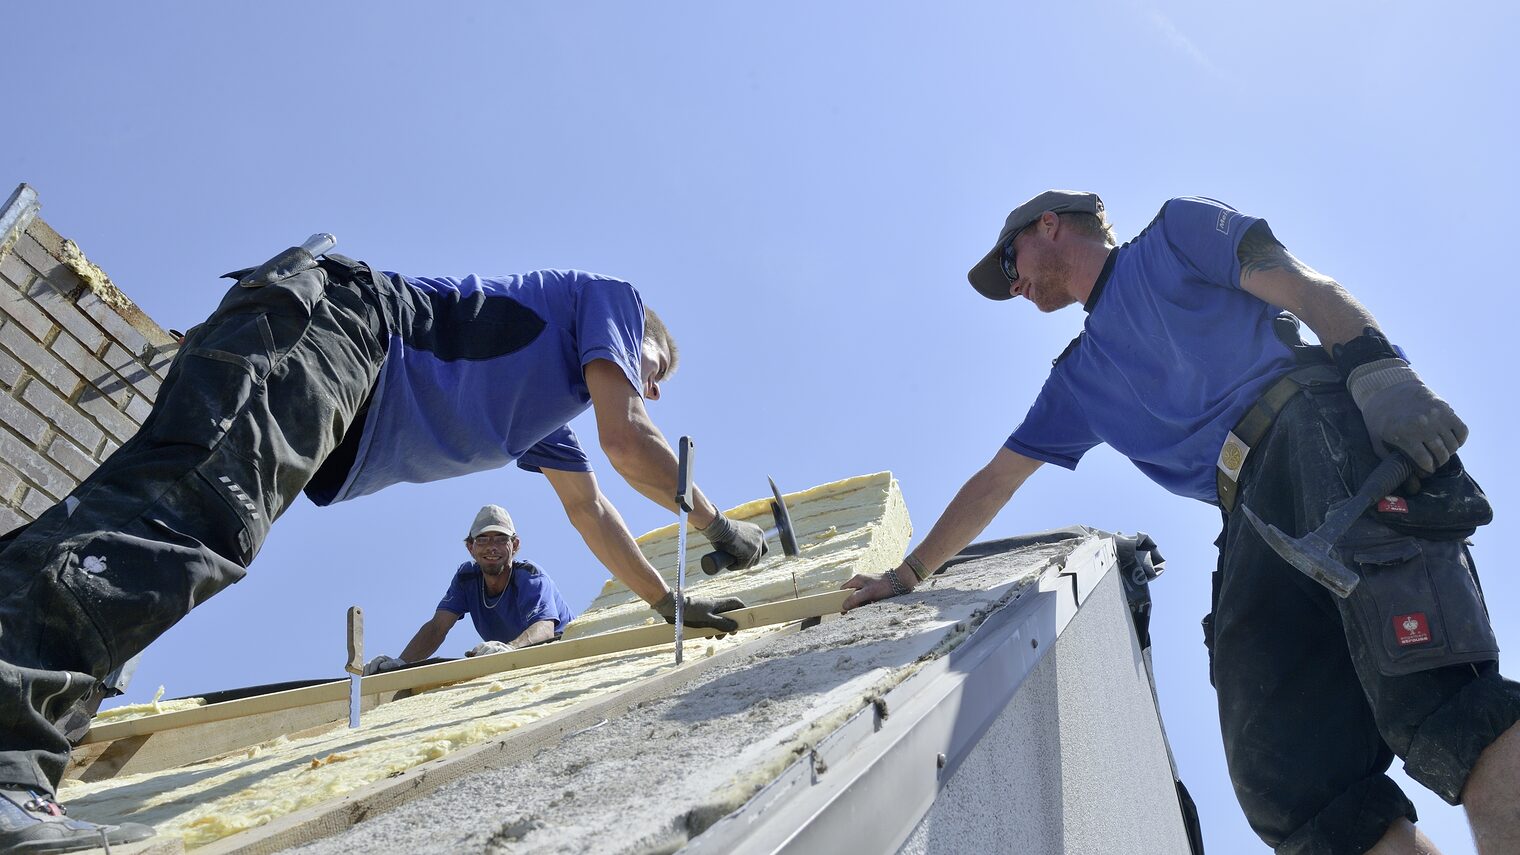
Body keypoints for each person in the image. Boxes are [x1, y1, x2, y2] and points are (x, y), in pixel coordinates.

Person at [0, 245, 761, 852]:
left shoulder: (538, 418)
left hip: (318, 354)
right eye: (656, 366)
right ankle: (8, 766)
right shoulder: (615, 297)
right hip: (336, 332)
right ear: (638, 335)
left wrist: (667, 603)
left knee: (155, 513)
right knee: (189, 521)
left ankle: (24, 755)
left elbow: (591, 510)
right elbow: (628, 436)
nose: (654, 386)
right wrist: (720, 530)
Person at [842, 191, 1520, 854]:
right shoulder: (1079, 379)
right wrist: (907, 573)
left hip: (1314, 434)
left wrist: (1381, 373)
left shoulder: (1172, 239)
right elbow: (995, 482)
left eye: (1009, 261)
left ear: (1049, 225)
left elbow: (1303, 286)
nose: (1012, 283)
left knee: (1444, 695)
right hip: (1250, 517)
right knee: (1296, 789)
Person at [363, 504, 575, 674]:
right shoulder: (467, 579)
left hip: (564, 659)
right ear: (470, 548)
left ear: (515, 545)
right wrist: (401, 663)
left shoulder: (529, 576)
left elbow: (545, 629)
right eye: (483, 540)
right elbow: (438, 627)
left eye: (501, 539)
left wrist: (510, 649)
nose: (492, 546)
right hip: (515, 665)